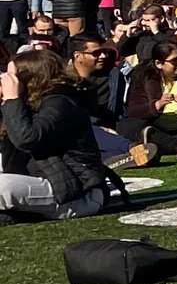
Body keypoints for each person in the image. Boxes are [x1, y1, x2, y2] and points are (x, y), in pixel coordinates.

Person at [0, 44, 112, 220]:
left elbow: (27, 138)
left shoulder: (61, 102)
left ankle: (17, 212)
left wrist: (12, 99)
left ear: (30, 78)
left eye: (12, 76)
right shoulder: (30, 102)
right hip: (45, 178)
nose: (7, 81)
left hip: (77, 194)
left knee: (2, 186)